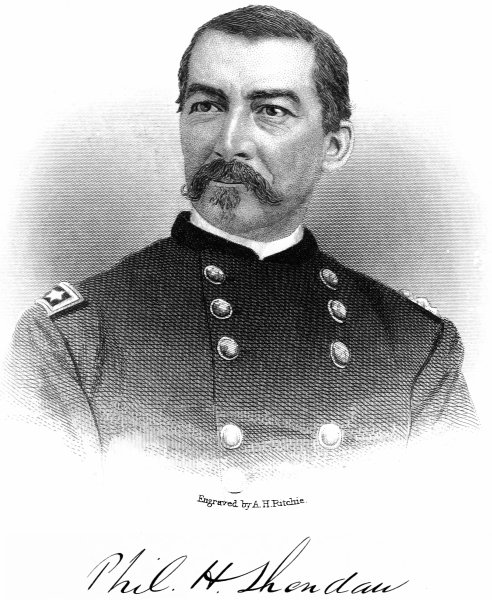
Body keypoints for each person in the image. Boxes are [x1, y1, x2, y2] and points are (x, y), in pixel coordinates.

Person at [3, 5, 478, 489]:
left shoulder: (414, 343)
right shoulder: (73, 336)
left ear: (333, 146)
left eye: (271, 111)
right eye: (206, 106)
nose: (229, 143)